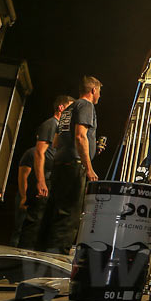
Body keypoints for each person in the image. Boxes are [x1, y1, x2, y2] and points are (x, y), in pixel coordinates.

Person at [43, 76, 102, 253]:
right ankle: (57, 258)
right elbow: (80, 136)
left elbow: (56, 141)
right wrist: (89, 167)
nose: (99, 96)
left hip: (61, 162)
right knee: (70, 215)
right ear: (93, 90)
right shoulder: (86, 105)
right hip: (75, 164)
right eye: (99, 92)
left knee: (57, 212)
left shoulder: (69, 108)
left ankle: (45, 254)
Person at [18, 95, 73, 250]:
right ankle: (22, 257)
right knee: (35, 221)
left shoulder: (60, 128)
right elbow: (39, 152)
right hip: (44, 179)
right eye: (70, 108)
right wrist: (41, 181)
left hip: (52, 179)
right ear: (61, 108)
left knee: (44, 222)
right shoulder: (51, 124)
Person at [10, 146, 35, 246]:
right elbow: (23, 176)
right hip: (26, 195)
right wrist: (24, 197)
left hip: (37, 197)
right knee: (20, 229)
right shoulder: (31, 153)